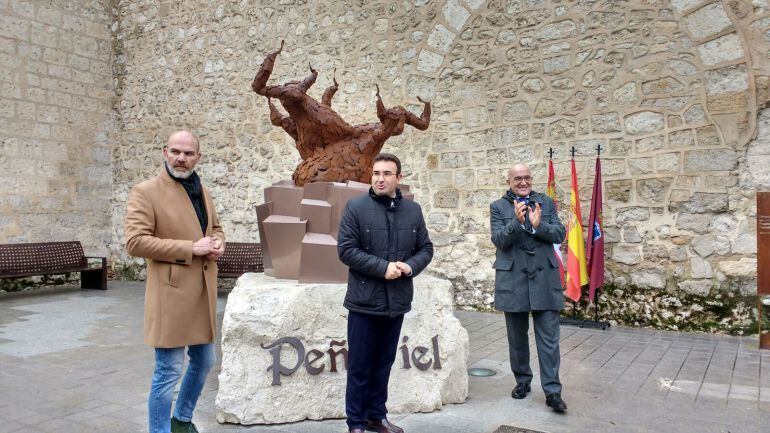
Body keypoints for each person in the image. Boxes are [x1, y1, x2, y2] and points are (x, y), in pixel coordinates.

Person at [125, 130, 225, 433]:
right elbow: (135, 243)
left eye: (188, 153)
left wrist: (219, 242)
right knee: (168, 371)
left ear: (198, 157)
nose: (181, 158)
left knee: (205, 361)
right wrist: (189, 248)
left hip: (201, 294)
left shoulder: (201, 189)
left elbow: (216, 227)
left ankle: (182, 419)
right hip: (170, 295)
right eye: (176, 152)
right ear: (165, 152)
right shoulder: (146, 191)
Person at [337, 153, 434, 433]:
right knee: (359, 366)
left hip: (397, 301)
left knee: (383, 364)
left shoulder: (413, 211)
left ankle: (376, 417)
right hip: (364, 301)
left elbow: (425, 249)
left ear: (398, 178)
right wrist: (383, 268)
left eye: (387, 174)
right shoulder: (355, 207)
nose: (381, 178)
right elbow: (346, 250)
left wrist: (409, 266)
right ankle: (355, 423)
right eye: (376, 173)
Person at [490, 163, 568, 413]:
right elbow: (499, 240)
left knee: (549, 340)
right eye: (517, 179)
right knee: (517, 338)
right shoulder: (498, 207)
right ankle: (522, 382)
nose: (523, 182)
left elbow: (559, 234)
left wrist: (538, 225)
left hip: (544, 280)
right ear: (509, 181)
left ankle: (553, 392)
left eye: (527, 178)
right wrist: (516, 221)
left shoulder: (546, 202)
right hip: (513, 280)